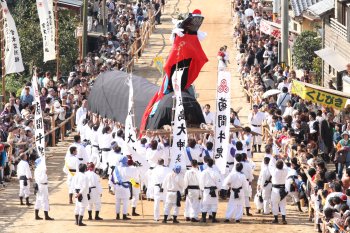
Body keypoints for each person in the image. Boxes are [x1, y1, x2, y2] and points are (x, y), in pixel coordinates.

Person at [199, 158, 221, 223]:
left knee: (205, 204)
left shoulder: (203, 172)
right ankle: (213, 219)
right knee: (214, 205)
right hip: (214, 190)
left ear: (207, 164)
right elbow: (219, 183)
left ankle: (203, 219)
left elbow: (201, 182)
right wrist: (218, 189)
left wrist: (202, 189)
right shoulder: (216, 173)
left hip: (206, 190)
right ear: (213, 164)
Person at [268, 158, 288, 224]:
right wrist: (281, 159)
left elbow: (270, 165)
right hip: (283, 189)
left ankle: (276, 219)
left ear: (276, 166)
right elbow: (285, 166)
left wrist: (273, 158)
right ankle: (283, 219)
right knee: (282, 205)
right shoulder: (285, 171)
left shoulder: (274, 171)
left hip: (275, 190)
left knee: (275, 204)